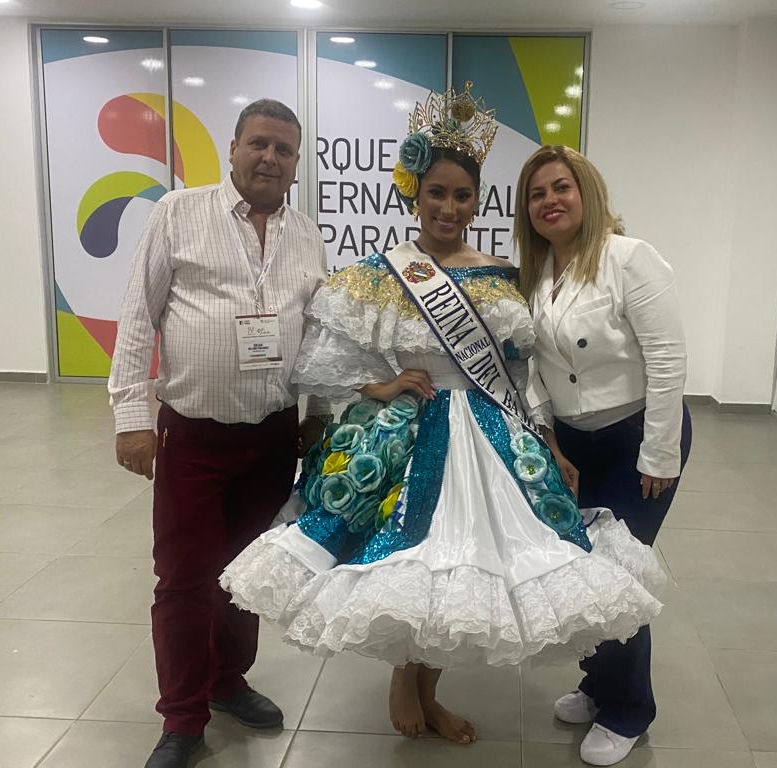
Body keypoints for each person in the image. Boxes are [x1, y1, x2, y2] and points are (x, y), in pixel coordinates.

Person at [220, 83, 666, 746]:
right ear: (414, 195)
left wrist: (546, 440)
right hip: (409, 431)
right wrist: (380, 385)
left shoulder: (502, 277)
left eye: (462, 195)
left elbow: (524, 374)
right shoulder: (380, 274)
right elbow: (327, 357)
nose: (448, 208)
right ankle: (405, 680)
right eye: (436, 193)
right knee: (412, 556)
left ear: (476, 202)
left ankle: (430, 691)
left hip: (489, 435)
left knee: (466, 563)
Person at [108, 99, 330, 768]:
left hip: (273, 439)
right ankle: (182, 718)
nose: (269, 158)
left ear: (296, 164)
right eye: (258, 143)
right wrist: (131, 418)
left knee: (246, 575)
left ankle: (228, 681)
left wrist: (318, 413)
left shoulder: (307, 235)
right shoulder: (178, 213)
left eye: (284, 149)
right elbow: (138, 315)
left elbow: (321, 334)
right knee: (184, 580)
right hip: (193, 437)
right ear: (233, 148)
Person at [514, 145, 691, 766]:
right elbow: (531, 368)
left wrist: (658, 453)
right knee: (579, 569)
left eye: (561, 187)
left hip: (635, 437)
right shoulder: (536, 274)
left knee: (618, 574)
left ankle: (629, 709)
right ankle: (598, 684)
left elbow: (667, 359)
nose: (550, 201)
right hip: (572, 445)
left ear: (586, 192)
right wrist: (550, 440)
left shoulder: (629, 258)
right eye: (537, 193)